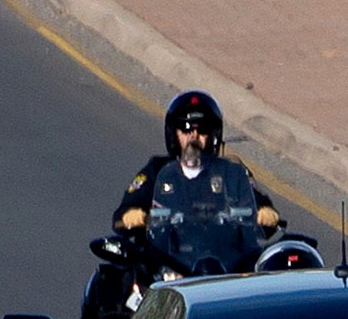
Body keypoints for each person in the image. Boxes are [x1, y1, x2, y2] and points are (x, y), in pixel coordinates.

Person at [111, 90, 280, 277]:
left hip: (226, 262)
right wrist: (133, 215)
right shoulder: (157, 170)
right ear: (173, 134)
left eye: (202, 130)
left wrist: (265, 212)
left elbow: (257, 202)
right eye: (186, 129)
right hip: (170, 262)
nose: (194, 137)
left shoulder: (231, 171)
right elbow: (127, 209)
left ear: (214, 134)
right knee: (121, 283)